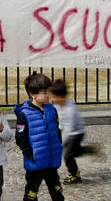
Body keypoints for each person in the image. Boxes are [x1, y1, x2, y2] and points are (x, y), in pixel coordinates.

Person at [14, 72, 64, 201]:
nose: (49, 95)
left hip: (51, 161)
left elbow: (56, 130)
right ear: (32, 94)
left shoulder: (51, 109)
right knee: (31, 193)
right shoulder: (24, 113)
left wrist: (59, 144)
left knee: (57, 191)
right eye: (45, 92)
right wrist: (30, 154)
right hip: (35, 163)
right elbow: (20, 138)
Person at [49, 79, 100, 185]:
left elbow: (69, 128)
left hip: (76, 133)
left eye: (53, 96)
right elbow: (61, 120)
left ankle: (74, 175)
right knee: (74, 152)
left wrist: (61, 142)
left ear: (61, 97)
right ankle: (88, 150)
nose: (51, 99)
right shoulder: (58, 104)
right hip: (66, 130)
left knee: (68, 155)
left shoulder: (70, 110)